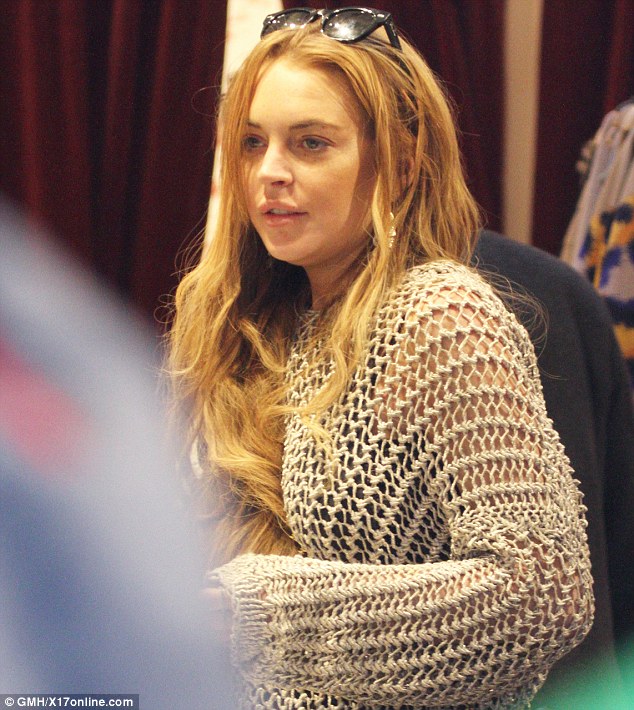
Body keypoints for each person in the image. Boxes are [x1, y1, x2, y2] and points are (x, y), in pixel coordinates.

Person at [168, 8, 594, 708]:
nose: (269, 172)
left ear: (399, 163)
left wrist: (262, 613)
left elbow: (542, 592)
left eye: (310, 143)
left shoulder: (441, 317)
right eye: (251, 142)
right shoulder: (245, 317)